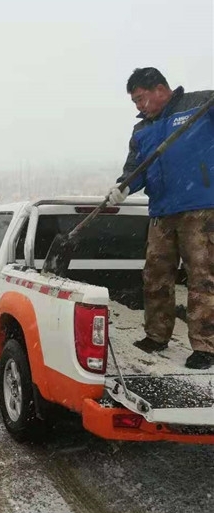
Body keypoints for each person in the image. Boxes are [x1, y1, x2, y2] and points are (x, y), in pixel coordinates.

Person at [108, 67, 214, 369]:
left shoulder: (201, 104)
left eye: (141, 99)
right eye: (135, 102)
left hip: (201, 208)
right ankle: (156, 335)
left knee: (202, 278)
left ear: (159, 89)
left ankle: (205, 346)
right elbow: (135, 169)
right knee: (155, 276)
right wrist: (123, 187)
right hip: (161, 212)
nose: (140, 106)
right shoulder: (142, 130)